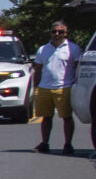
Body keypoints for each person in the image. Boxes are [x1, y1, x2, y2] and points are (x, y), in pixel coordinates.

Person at [31, 19, 80, 153]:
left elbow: (78, 69)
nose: (57, 34)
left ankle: (68, 144)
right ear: (51, 33)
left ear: (66, 33)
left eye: (60, 32)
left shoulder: (73, 49)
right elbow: (38, 69)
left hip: (64, 87)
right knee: (46, 117)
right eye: (54, 31)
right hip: (44, 87)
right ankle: (45, 143)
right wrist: (35, 87)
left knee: (67, 117)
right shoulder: (43, 49)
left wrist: (77, 86)